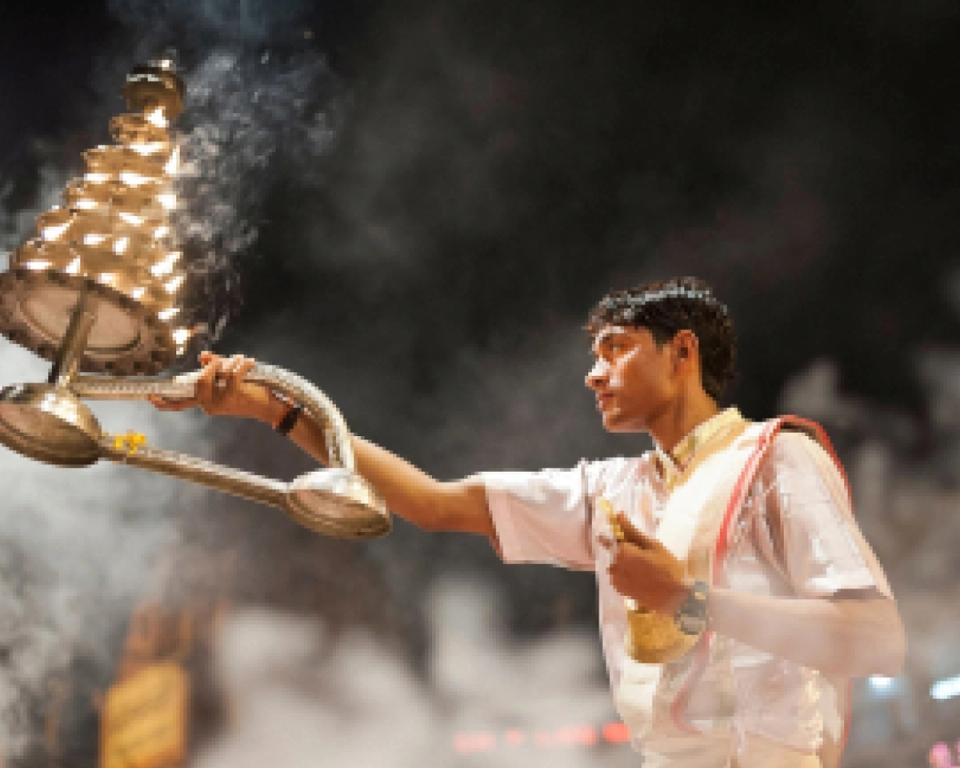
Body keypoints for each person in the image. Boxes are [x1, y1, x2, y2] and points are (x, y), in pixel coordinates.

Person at [153, 276, 905, 767]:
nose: (593, 373)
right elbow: (430, 502)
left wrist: (688, 601)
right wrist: (272, 408)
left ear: (682, 353)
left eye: (615, 351)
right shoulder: (611, 488)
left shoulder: (776, 460)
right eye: (593, 354)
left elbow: (877, 641)